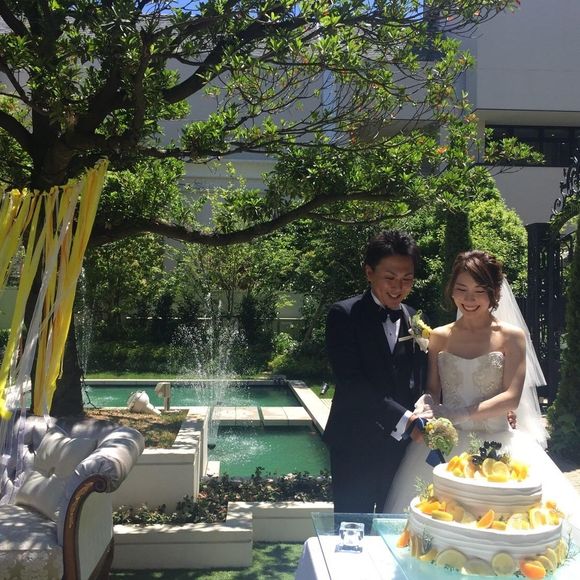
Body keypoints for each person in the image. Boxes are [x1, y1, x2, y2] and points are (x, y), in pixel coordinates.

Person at [384, 250, 580, 537]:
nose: (469, 299)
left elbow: (511, 396)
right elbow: (433, 390)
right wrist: (427, 406)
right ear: (452, 289)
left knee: (506, 527)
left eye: (479, 291)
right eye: (461, 289)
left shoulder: (511, 336)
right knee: (435, 526)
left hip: (499, 444)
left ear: (494, 293)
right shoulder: (439, 336)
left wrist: (459, 413)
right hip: (446, 446)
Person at [324, 230, 432, 515]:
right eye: (390, 277)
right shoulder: (344, 315)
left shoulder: (416, 318)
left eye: (407, 278)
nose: (398, 287)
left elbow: (423, 378)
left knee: (396, 525)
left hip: (402, 450)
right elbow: (351, 382)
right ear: (369, 273)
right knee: (352, 527)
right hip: (355, 443)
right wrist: (405, 419)